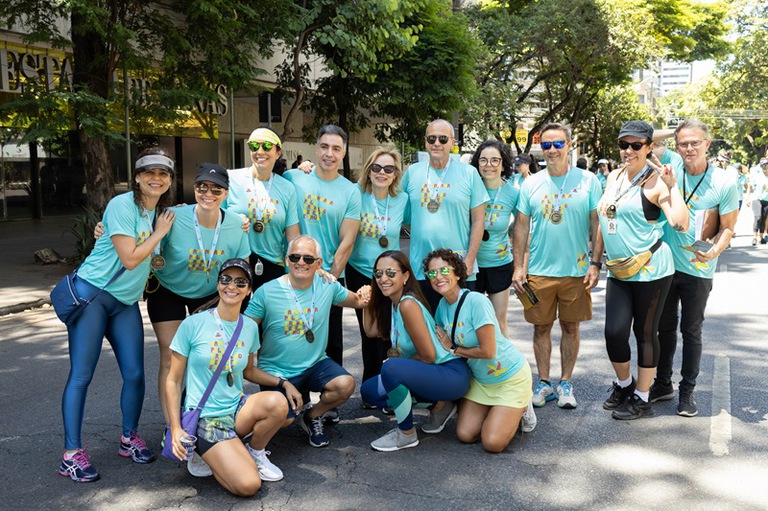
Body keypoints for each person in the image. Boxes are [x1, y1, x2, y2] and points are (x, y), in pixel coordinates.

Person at [58, 147, 176, 482]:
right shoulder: (122, 205)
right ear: (137, 177)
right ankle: (71, 454)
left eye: (163, 174)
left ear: (169, 181)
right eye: (149, 172)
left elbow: (209, 206)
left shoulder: (162, 214)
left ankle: (128, 437)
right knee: (82, 375)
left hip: (124, 302)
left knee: (136, 374)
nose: (156, 179)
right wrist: (158, 234)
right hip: (92, 295)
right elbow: (129, 259)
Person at [166, 258, 288, 496]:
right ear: (218, 284)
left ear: (249, 289)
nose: (232, 286)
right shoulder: (193, 324)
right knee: (248, 485)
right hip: (207, 418)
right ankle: (207, 451)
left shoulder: (250, 327)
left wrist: (284, 383)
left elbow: (249, 371)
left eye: (241, 282)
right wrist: (176, 428)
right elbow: (173, 380)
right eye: (226, 279)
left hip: (236, 408)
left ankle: (253, 451)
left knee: (278, 402)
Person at [597, 120, 689, 420]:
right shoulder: (614, 177)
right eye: (624, 144)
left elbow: (680, 223)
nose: (629, 150)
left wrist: (673, 188)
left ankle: (642, 397)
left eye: (637, 145)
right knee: (614, 333)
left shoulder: (657, 181)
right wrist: (595, 261)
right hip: (618, 270)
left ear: (650, 148)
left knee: (645, 333)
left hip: (651, 269)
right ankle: (625, 386)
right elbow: (604, 219)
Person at [244, 235, 370, 448]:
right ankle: (247, 434)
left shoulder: (327, 285)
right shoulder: (266, 291)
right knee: (284, 419)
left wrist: (368, 290)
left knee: (345, 384)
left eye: (308, 259)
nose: (301, 263)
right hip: (276, 371)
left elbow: (358, 301)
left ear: (319, 263)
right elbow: (244, 329)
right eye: (295, 257)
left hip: (314, 364)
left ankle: (312, 416)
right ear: (286, 260)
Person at [512, 122, 603, 410]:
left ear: (570, 145)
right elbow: (521, 228)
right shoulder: (530, 183)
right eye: (547, 145)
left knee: (571, 327)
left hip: (575, 271)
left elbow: (597, 224)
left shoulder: (589, 181)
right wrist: (518, 267)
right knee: (540, 329)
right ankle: (543, 382)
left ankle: (565, 383)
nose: (552, 150)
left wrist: (595, 263)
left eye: (558, 144)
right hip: (538, 271)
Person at [652, 119, 739, 417]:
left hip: (698, 267)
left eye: (695, 143)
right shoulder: (672, 163)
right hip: (664, 264)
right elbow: (646, 137)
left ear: (707, 145)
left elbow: (728, 228)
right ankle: (662, 384)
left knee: (691, 330)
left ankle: (687, 390)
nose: (689, 149)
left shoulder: (725, 181)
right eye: (683, 143)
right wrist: (674, 129)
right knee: (663, 329)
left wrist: (713, 252)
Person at [360, 250, 470, 451]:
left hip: (450, 373)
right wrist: (366, 303)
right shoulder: (394, 305)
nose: (383, 278)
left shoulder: (408, 304)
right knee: (369, 391)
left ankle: (406, 434)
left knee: (391, 369)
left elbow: (428, 356)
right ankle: (440, 406)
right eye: (378, 274)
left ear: (406, 276)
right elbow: (370, 331)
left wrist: (398, 367)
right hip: (432, 373)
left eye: (390, 273)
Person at [426, 249, 535, 452]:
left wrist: (454, 348)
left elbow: (488, 352)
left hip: (509, 377)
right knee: (465, 435)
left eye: (443, 270)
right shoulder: (442, 306)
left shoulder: (477, 301)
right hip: (482, 381)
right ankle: (499, 414)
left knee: (492, 443)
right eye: (432, 273)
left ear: (457, 273)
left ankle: (521, 408)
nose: (438, 277)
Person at [285, 125, 362, 369]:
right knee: (293, 336)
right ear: (316, 149)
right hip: (294, 272)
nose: (330, 153)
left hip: (329, 275)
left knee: (331, 342)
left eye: (336, 148)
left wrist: (329, 279)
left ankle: (330, 400)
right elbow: (288, 224)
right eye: (325, 146)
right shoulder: (293, 178)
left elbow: (347, 241)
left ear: (344, 152)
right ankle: (299, 397)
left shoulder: (351, 191)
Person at [401, 119, 488, 312]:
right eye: (431, 138)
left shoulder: (469, 173)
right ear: (425, 141)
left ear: (452, 143)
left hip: (458, 269)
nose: (436, 143)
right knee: (426, 331)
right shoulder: (412, 173)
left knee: (461, 329)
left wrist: (470, 260)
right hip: (422, 269)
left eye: (442, 139)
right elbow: (402, 213)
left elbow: (478, 220)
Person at [346, 147, 410, 386]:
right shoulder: (355, 193)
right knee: (370, 332)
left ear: (395, 175)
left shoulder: (403, 199)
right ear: (369, 171)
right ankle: (371, 385)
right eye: (376, 167)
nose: (382, 173)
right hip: (360, 272)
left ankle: (389, 383)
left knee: (390, 331)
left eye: (388, 169)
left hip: (390, 274)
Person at [226, 127, 300, 289]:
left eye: (266, 146)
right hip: (236, 260)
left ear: (278, 152)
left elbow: (292, 236)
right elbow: (215, 215)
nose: (260, 151)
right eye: (254, 146)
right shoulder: (231, 179)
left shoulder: (287, 188)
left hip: (272, 263)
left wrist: (295, 269)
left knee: (269, 313)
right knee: (236, 314)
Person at [469, 140, 519, 338]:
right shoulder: (469, 189)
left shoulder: (513, 194)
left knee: (498, 323)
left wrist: (522, 265)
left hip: (500, 264)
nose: (488, 165)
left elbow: (522, 229)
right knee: (473, 324)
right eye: (483, 160)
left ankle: (504, 368)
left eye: (494, 160)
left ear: (503, 164)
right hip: (471, 265)